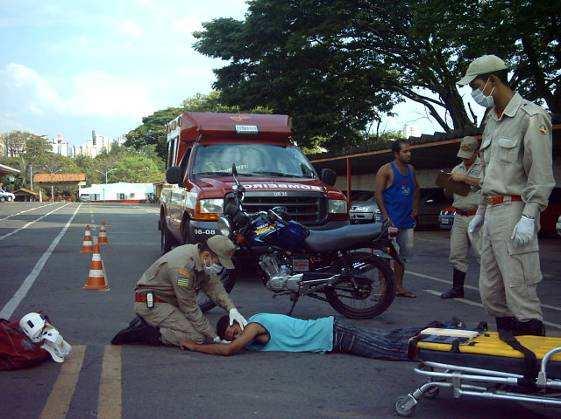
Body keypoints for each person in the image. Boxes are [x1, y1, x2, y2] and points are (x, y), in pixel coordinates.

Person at [458, 55, 555, 336]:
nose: (474, 93)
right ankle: (508, 360)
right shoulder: (492, 119)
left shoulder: (531, 116)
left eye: (476, 86)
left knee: (519, 291)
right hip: (491, 212)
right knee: (491, 292)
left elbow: (540, 174)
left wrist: (529, 216)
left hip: (515, 211)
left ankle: (532, 370)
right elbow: (489, 172)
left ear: (493, 81)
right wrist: (480, 212)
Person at [111, 235, 248, 346]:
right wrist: (214, 337)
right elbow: (189, 308)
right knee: (196, 338)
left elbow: (214, 285)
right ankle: (146, 333)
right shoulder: (183, 269)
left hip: (168, 301)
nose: (220, 268)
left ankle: (152, 322)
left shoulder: (199, 256)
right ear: (207, 255)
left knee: (198, 329)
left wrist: (232, 309)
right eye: (219, 263)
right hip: (153, 303)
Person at [179, 312, 442, 360]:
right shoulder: (257, 322)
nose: (235, 337)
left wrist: (194, 346)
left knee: (386, 348)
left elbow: (229, 350)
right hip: (332, 331)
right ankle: (436, 329)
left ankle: (436, 347)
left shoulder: (254, 327)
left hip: (333, 334)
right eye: (231, 335)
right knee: (386, 337)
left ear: (238, 325)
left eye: (233, 332)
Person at [375, 140, 420, 298]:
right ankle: (383, 288)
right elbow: (378, 194)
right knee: (385, 256)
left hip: (406, 222)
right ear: (396, 153)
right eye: (405, 151)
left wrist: (415, 208)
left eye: (409, 151)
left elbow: (416, 189)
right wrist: (386, 217)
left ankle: (399, 287)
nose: (409, 154)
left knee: (402, 257)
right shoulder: (386, 170)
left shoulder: (411, 169)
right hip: (391, 222)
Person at [441, 136, 483, 299]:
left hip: (477, 216)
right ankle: (457, 289)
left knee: (482, 254)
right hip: (459, 215)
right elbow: (450, 193)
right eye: (462, 155)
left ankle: (491, 292)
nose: (464, 159)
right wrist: (447, 185)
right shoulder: (457, 168)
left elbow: (486, 183)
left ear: (476, 152)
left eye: (468, 154)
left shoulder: (484, 166)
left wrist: (464, 178)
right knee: (457, 253)